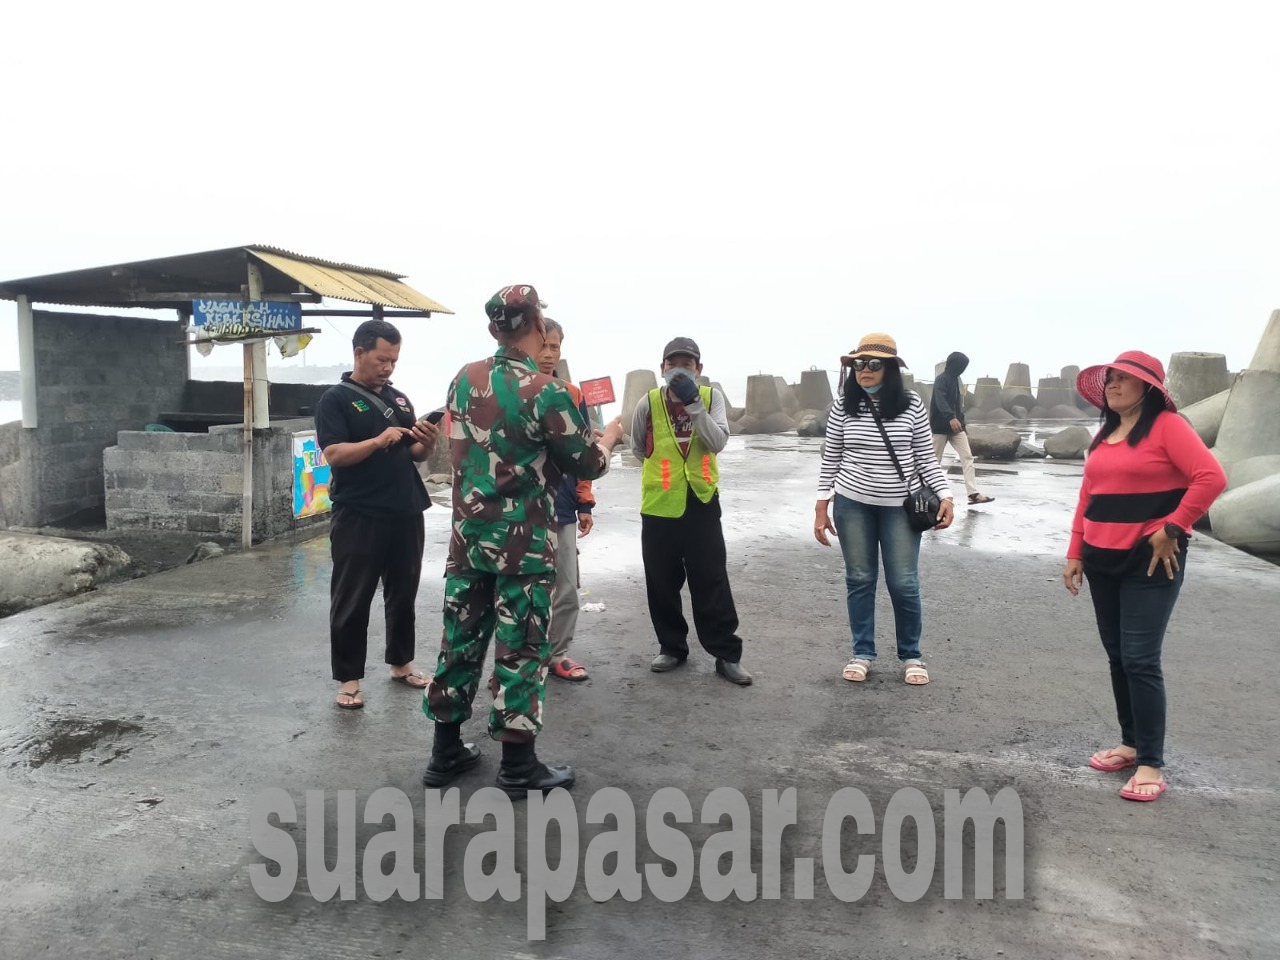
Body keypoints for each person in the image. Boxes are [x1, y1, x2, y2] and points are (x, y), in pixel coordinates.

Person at [421, 284, 626, 798]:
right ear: (536, 326)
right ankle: (518, 765)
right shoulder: (548, 390)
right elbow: (588, 463)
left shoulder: (463, 380)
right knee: (522, 650)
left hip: (468, 541)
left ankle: (445, 752)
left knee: (460, 641)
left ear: (494, 329)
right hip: (523, 546)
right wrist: (610, 437)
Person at [1063, 351, 1226, 803]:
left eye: (1123, 379)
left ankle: (1151, 762)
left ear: (1148, 388)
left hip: (1150, 562)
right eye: (1110, 379)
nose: (1113, 385)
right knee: (1118, 657)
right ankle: (1130, 744)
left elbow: (1211, 477)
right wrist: (1075, 552)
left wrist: (1172, 526)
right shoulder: (1106, 434)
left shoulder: (1169, 428)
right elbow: (1087, 497)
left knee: (1140, 658)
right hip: (1100, 560)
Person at [814, 333, 954, 686]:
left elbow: (926, 458)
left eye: (874, 364)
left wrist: (947, 496)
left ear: (890, 369)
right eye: (859, 364)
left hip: (899, 508)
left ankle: (912, 655)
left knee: (904, 583)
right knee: (859, 579)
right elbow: (831, 458)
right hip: (852, 503)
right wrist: (821, 505)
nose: (865, 371)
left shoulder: (911, 405)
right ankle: (862, 652)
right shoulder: (842, 406)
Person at [314, 319, 440, 710]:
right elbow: (334, 454)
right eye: (382, 359)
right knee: (353, 598)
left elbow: (415, 456)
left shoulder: (400, 400)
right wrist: (376, 440)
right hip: (359, 513)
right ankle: (348, 679)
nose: (388, 367)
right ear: (359, 353)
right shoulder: (335, 400)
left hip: (406, 510)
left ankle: (401, 664)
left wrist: (426, 443)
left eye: (394, 361)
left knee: (403, 593)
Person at [631, 337, 752, 686]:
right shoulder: (648, 402)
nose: (679, 369)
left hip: (701, 501)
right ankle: (672, 647)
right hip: (658, 506)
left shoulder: (711, 398)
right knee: (661, 580)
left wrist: (693, 403)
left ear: (699, 370)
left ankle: (726, 654)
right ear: (662, 368)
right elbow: (639, 447)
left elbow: (718, 443)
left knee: (711, 579)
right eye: (673, 364)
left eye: (687, 364)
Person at [536, 318, 597, 682]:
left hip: (562, 509)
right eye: (542, 345)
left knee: (568, 586)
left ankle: (557, 653)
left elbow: (584, 454)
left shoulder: (572, 395)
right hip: (521, 510)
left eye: (554, 347)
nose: (547, 354)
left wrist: (584, 502)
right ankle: (521, 657)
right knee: (522, 590)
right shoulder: (515, 391)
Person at [929, 351, 995, 505]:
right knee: (934, 461)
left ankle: (973, 493)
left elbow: (958, 405)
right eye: (961, 366)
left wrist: (961, 424)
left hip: (956, 427)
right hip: (940, 426)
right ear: (954, 365)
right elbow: (940, 400)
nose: (963, 369)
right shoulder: (941, 380)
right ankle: (928, 492)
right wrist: (950, 417)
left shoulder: (956, 380)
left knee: (967, 457)